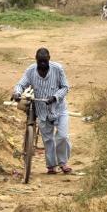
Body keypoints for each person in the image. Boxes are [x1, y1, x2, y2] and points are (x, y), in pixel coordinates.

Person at [11, 47, 72, 175]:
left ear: (49, 59)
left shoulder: (58, 69)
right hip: (42, 110)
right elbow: (20, 84)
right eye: (40, 61)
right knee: (48, 139)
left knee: (63, 136)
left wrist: (55, 97)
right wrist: (17, 93)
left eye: (45, 61)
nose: (43, 64)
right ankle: (51, 166)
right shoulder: (31, 71)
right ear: (36, 60)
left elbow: (66, 87)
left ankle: (63, 163)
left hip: (59, 108)